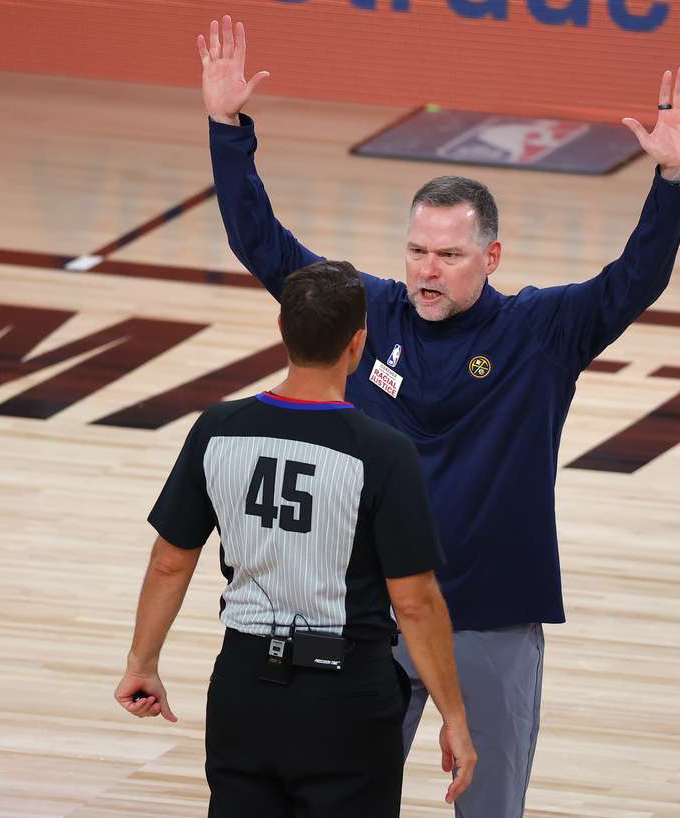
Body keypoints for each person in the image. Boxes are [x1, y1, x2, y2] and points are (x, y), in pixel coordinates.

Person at [197, 15, 680, 817]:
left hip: (492, 618)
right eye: (418, 252)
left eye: (450, 255)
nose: (428, 271)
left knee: (490, 810)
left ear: (491, 258)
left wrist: (671, 182)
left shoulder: (542, 330)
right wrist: (227, 129)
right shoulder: (363, 313)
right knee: (345, 804)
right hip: (370, 616)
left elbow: (634, 279)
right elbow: (262, 244)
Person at [113, 260, 477, 817]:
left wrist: (142, 663)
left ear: (282, 327)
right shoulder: (381, 452)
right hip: (346, 697)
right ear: (358, 344)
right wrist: (453, 716)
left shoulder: (216, 428)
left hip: (242, 687)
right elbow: (414, 602)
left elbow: (169, 562)